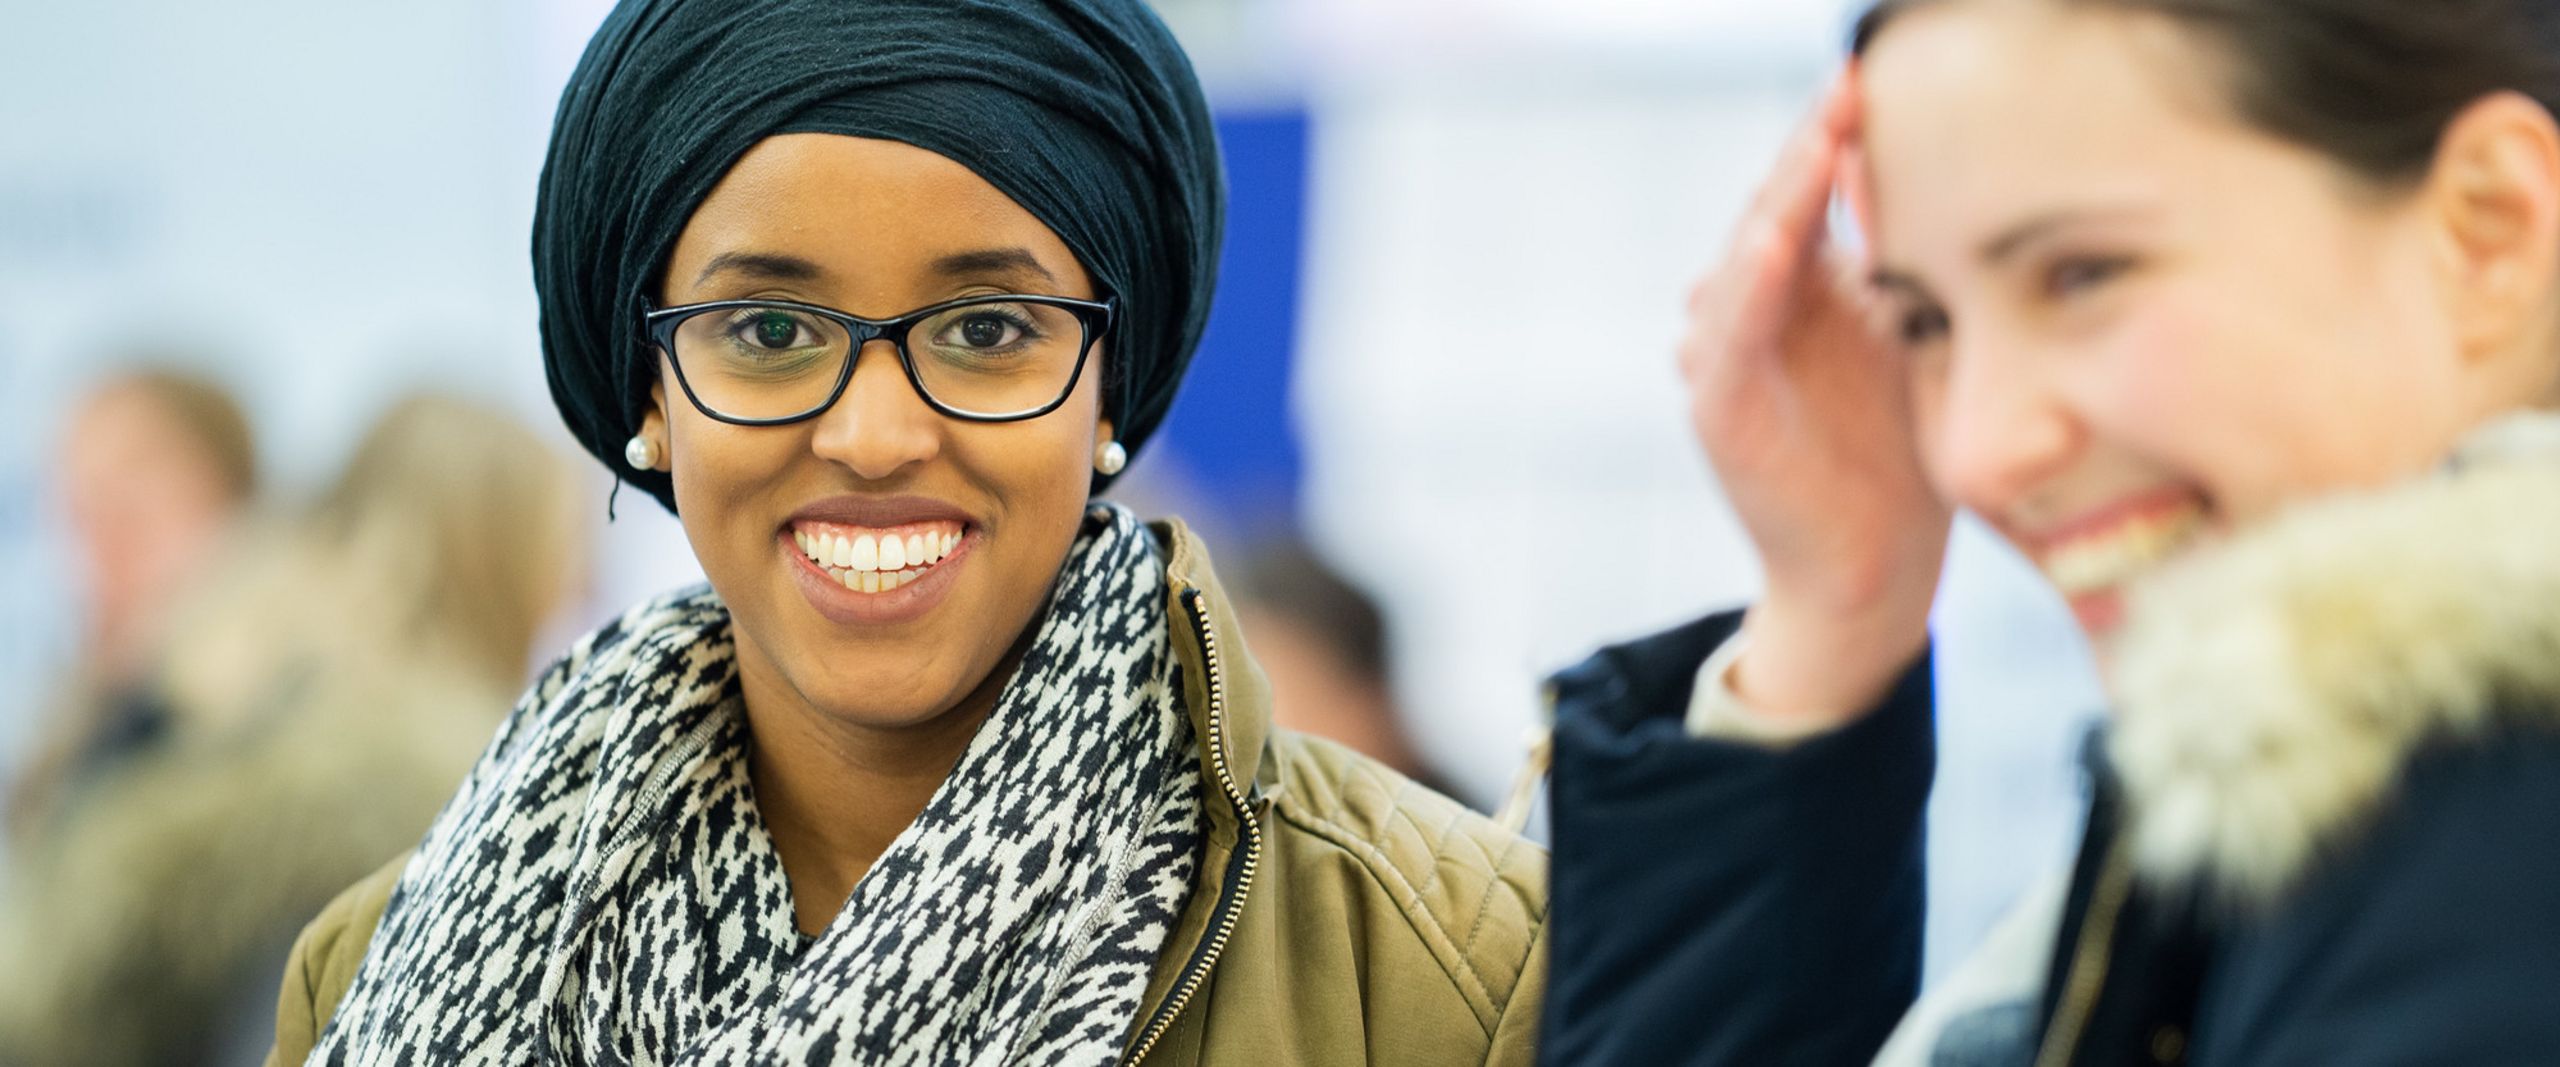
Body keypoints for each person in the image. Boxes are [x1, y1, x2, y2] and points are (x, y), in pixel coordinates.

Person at [267, 1, 1546, 1064]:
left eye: (987, 329)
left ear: (1108, 385)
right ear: (650, 394)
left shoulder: (1451, 974)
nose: (873, 435)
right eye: (768, 330)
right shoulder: (379, 966)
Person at [1540, 1, 2560, 1063]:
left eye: (2082, 275)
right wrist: (1833, 607)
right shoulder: (2357, 808)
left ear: (2486, 228)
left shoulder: (2487, 828)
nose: (1971, 452)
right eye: (1924, 321)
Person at [0, 393, 583, 1067]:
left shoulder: (220, 657)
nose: (573, 588)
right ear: (499, 558)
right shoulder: (406, 790)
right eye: (563, 552)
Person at [7, 368, 257, 841]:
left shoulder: (291, 703)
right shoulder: (76, 736)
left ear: (228, 491)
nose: (106, 543)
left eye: (131, 504)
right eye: (83, 512)